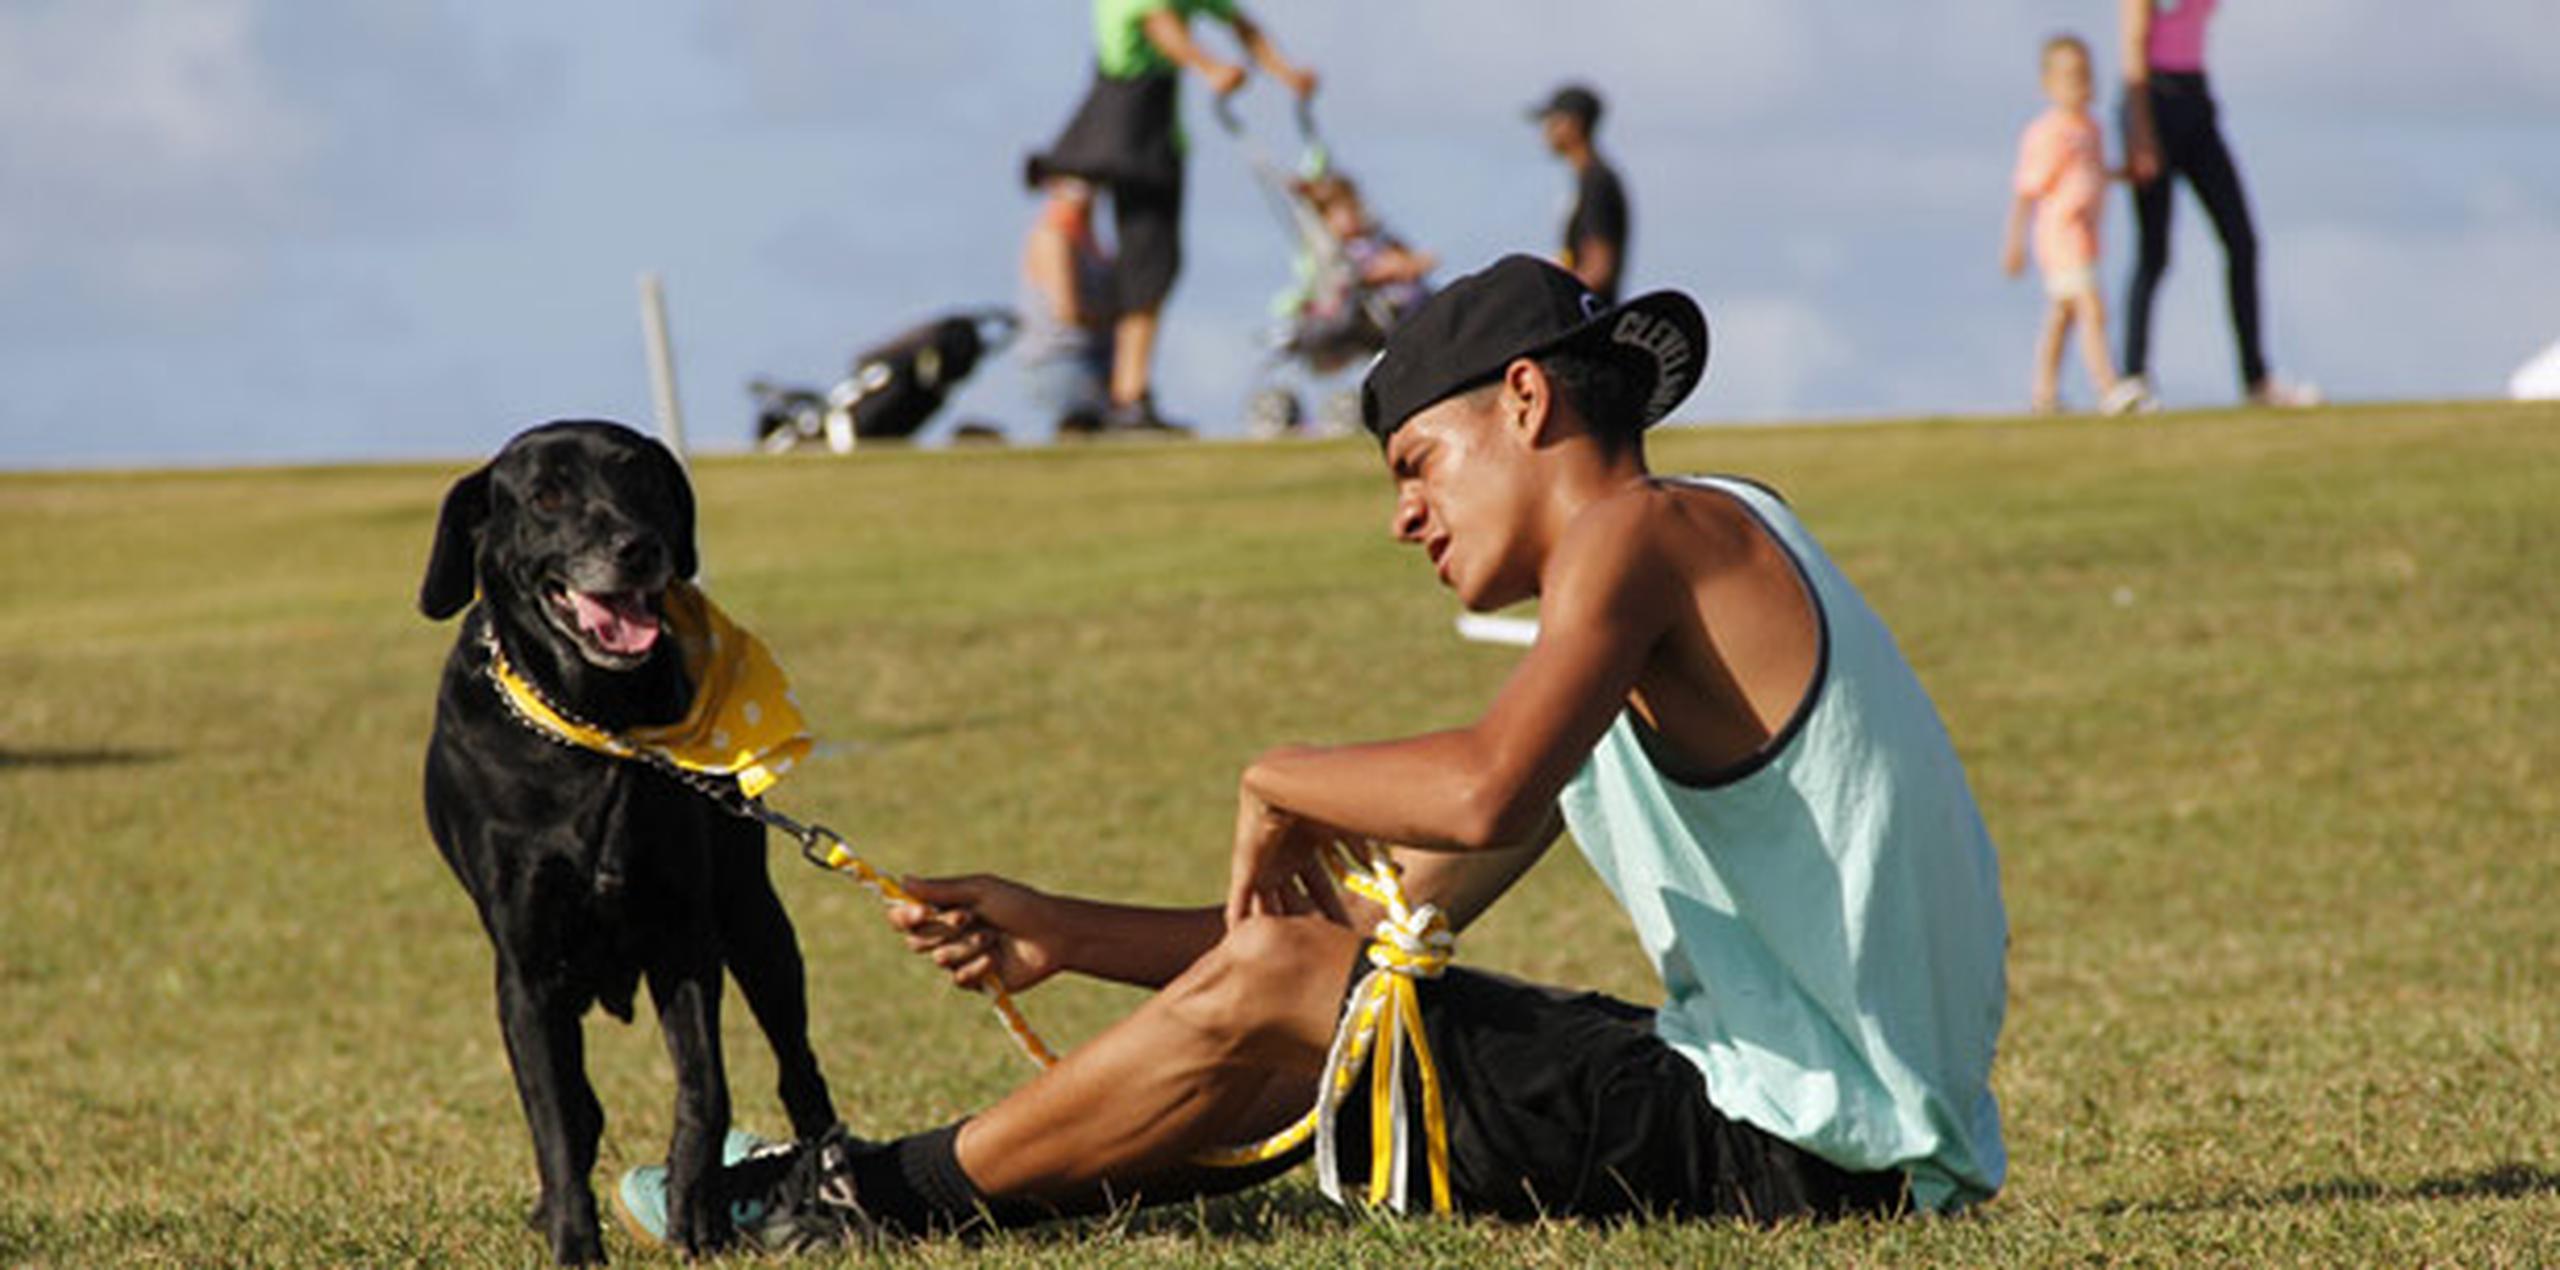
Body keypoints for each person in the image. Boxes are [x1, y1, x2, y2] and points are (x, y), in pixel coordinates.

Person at [614, 255, 2009, 1250]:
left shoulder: (1647, 533)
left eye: (1416, 462)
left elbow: (1482, 789)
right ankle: (885, 1191)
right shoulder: (1657, 604)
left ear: (1525, 401)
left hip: (1801, 1162)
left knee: (1307, 1009)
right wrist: (1065, 932)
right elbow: (1349, 928)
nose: (1407, 515)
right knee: (1320, 1025)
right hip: (1783, 1126)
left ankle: (844, 1201)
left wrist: (1274, 770)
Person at [1027, 0, 1318, 435]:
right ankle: (1127, 395)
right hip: (1124, 122)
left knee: (1151, 261)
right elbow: (1158, 22)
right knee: (1144, 256)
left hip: (1146, 126)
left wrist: (1285, 72)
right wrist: (1209, 67)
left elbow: (1240, 23)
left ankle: (1127, 390)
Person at [2116, 0, 2316, 407]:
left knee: (2242, 242)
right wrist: (2141, 132)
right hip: (2152, 102)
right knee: (2154, 252)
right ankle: (2133, 378)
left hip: (2197, 102)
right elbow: (2133, 44)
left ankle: (2256, 380)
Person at [2003, 35, 2149, 416]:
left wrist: (2123, 173)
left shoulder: (2090, 129)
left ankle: (2044, 392)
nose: (2079, 85)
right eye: (2069, 77)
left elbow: (2092, 173)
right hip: (2061, 234)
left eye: (2085, 75)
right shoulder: (2049, 132)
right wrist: (2015, 242)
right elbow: (2026, 190)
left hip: (2086, 234)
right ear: (2048, 84)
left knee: (2062, 316)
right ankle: (2108, 386)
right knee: (2090, 308)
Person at [1017, 176, 1117, 438]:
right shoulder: (1053, 237)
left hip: (1097, 361)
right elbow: (1068, 311)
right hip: (1064, 362)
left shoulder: (1091, 239)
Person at [1531, 84, 1630, 305]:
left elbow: (1598, 267)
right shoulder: (1590, 179)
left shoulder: (1596, 181)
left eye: (1552, 122)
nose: (1546, 131)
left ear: (1573, 124)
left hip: (1591, 317)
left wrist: (1556, 302)